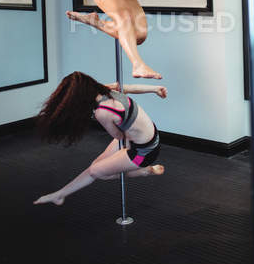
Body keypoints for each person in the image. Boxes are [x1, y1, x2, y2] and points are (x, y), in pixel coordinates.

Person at [33, 72, 166, 206]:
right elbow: (130, 88)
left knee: (96, 172)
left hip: (144, 152)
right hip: (146, 135)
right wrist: (154, 89)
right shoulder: (107, 90)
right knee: (95, 166)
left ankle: (145, 171)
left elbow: (118, 136)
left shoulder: (102, 112)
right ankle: (59, 195)